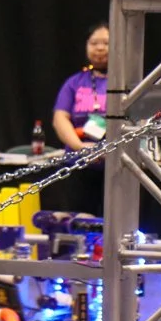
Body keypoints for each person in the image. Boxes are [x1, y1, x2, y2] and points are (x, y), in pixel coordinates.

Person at [52, 22, 110, 215]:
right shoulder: (74, 82)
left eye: (106, 43)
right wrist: (80, 147)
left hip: (116, 168)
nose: (100, 48)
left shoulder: (126, 82)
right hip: (79, 165)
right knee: (80, 221)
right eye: (94, 43)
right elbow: (60, 118)